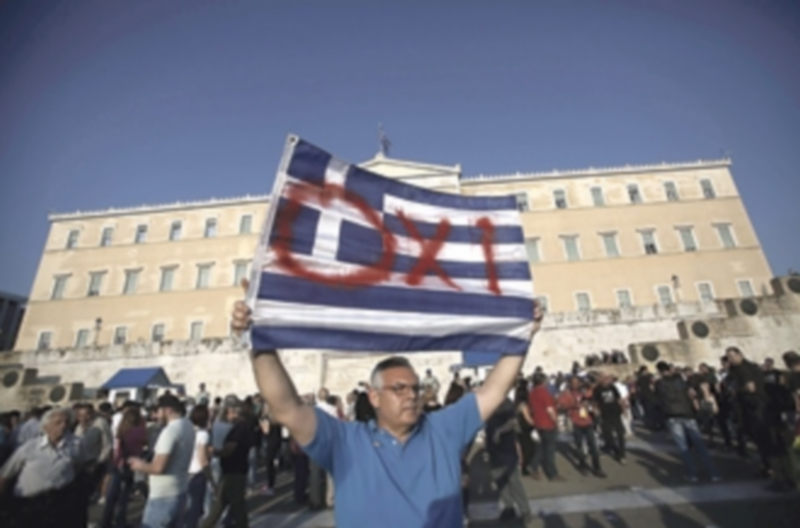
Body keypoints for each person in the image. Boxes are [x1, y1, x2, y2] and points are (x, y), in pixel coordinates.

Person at [230, 281, 544, 527]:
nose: (411, 395)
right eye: (399, 388)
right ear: (374, 396)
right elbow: (286, 407)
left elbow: (495, 389)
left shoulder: (443, 429)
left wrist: (523, 335)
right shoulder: (346, 442)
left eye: (415, 388)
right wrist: (260, 344)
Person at [0, 408, 85, 528]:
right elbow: (5, 474)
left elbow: (78, 466)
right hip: (30, 504)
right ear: (45, 427)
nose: (63, 426)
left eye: (66, 422)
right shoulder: (30, 448)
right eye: (58, 423)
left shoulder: (75, 445)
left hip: (60, 502)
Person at [129, 394, 196, 528]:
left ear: (168, 410)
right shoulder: (188, 425)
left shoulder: (170, 431)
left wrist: (139, 465)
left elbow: (158, 468)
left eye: (158, 411)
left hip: (163, 496)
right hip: (180, 490)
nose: (156, 416)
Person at [654, 362, 720, 482]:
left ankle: (692, 474)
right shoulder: (683, 382)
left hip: (672, 416)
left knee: (683, 447)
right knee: (700, 445)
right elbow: (694, 395)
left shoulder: (660, 384)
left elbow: (658, 401)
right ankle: (713, 473)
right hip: (688, 415)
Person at [201, 402, 253, 528]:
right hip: (234, 470)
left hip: (234, 472)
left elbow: (230, 449)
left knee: (236, 506)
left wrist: (214, 451)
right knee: (221, 504)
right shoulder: (242, 427)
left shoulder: (239, 428)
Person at [485, 397, 535, 527]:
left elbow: (513, 421)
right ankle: (508, 507)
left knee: (514, 481)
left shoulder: (505, 403)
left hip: (506, 448)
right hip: (493, 448)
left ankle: (525, 510)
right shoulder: (489, 403)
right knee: (499, 480)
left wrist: (500, 431)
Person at [101, 406, 147, 528]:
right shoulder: (140, 430)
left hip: (118, 463)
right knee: (125, 495)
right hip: (132, 463)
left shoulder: (122, 430)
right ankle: (120, 521)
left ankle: (105, 521)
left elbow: (118, 448)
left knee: (112, 496)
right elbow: (144, 443)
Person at [558, 376, 605, 478]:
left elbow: (594, 401)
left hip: (587, 421)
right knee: (579, 446)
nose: (575, 384)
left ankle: (597, 468)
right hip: (576, 422)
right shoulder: (566, 394)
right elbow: (561, 406)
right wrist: (573, 405)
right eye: (573, 382)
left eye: (577, 382)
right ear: (570, 383)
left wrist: (592, 407)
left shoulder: (584, 391)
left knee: (593, 446)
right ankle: (582, 465)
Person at [528, 372, 562, 481]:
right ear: (543, 381)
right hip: (547, 424)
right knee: (549, 450)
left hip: (538, 423)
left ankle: (533, 466)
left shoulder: (532, 393)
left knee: (541, 448)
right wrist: (556, 422)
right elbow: (550, 410)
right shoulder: (544, 393)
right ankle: (552, 474)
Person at [185, 404, 213, 528]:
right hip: (197, 473)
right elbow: (203, 460)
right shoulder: (203, 434)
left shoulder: (187, 431)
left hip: (185, 472)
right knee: (195, 510)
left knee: (186, 508)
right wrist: (212, 480)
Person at [593, 374, 627, 464]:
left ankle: (621, 454)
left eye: (608, 379)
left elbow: (619, 399)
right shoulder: (597, 389)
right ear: (601, 380)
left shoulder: (613, 387)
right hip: (605, 415)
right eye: (606, 379)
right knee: (608, 435)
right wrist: (596, 411)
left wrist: (623, 409)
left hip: (616, 413)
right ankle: (611, 447)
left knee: (620, 434)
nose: (608, 381)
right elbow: (596, 402)